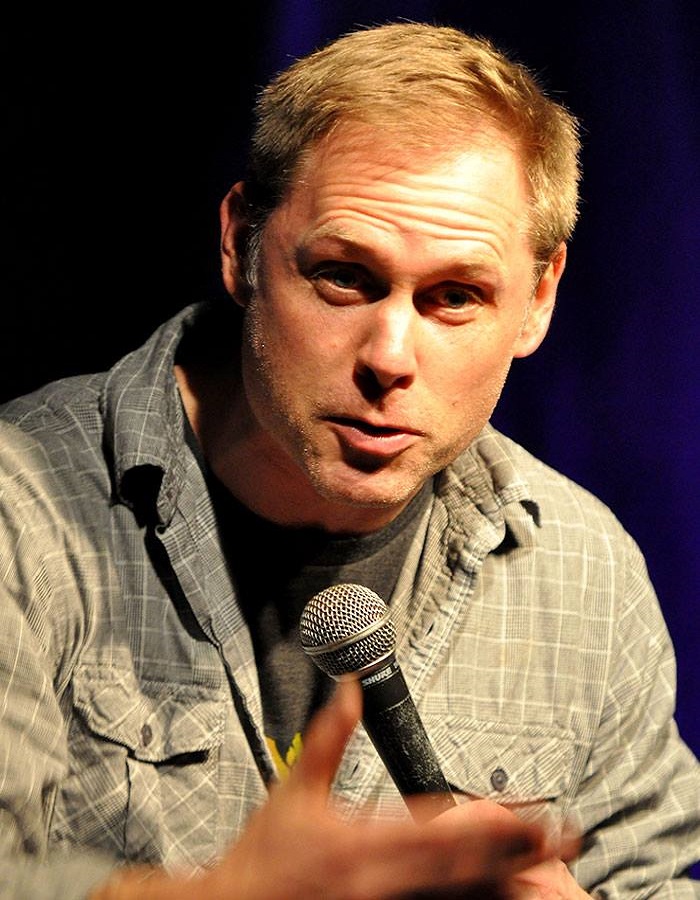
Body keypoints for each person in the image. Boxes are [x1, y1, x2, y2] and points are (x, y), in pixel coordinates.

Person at [0, 20, 697, 900]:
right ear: (240, 244)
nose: (389, 356)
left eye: (456, 296)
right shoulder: (21, 509)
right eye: (343, 276)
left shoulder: (583, 566)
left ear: (538, 299)